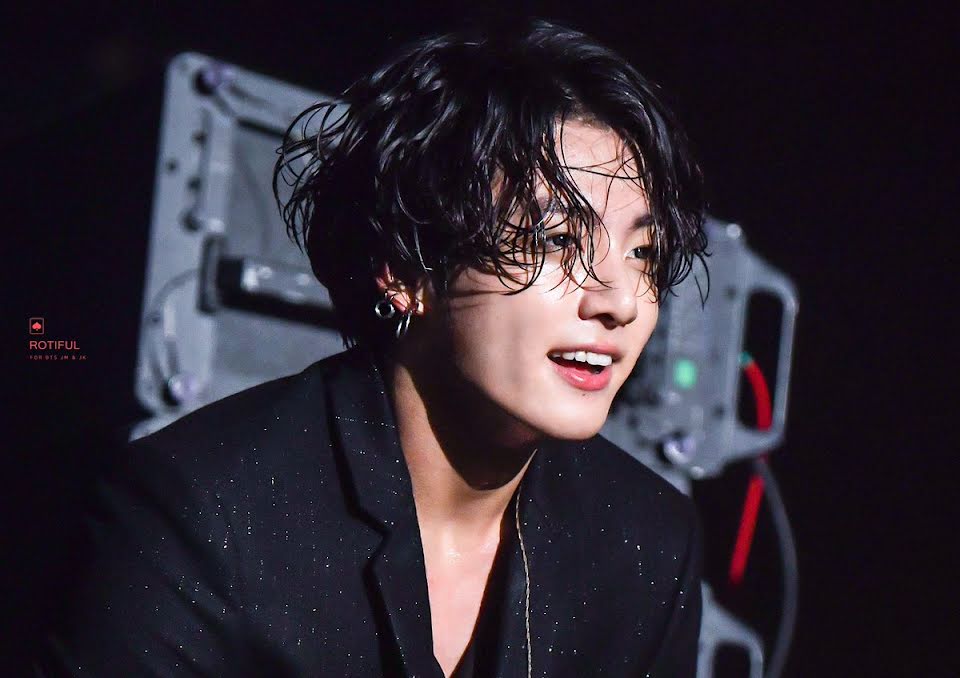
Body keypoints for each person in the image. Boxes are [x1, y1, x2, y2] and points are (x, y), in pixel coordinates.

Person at [35, 19, 708, 678]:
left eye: (643, 253)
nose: (621, 300)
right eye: (557, 240)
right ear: (406, 268)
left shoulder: (647, 541)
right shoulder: (201, 513)